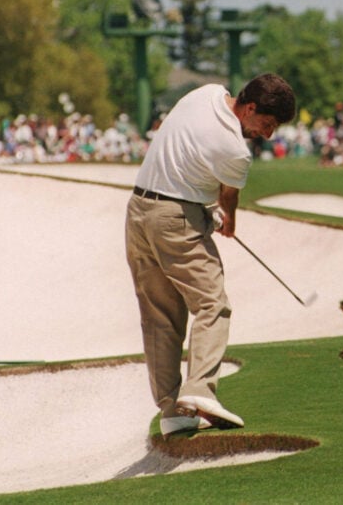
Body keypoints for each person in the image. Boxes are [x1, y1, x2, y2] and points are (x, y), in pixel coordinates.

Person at [124, 73, 296, 436]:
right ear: (249, 108)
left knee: (160, 317)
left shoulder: (206, 93)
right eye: (266, 123)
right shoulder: (235, 149)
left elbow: (187, 157)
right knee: (212, 304)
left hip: (139, 210)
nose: (267, 134)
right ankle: (200, 390)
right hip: (174, 220)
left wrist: (204, 207)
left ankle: (172, 412)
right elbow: (227, 197)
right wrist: (227, 219)